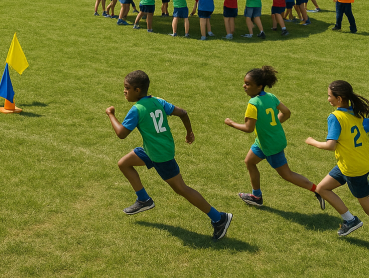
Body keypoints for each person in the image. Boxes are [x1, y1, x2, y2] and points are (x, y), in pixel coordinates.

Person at [105, 70, 233, 241]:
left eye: (127, 88)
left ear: (137, 90)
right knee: (124, 163)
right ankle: (143, 199)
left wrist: (111, 115)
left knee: (181, 189)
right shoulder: (157, 101)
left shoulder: (137, 109)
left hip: (160, 155)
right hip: (153, 149)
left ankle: (219, 218)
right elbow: (183, 113)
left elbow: (121, 133)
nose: (124, 91)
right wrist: (189, 132)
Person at [224, 66, 325, 210]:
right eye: (244, 82)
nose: (244, 86)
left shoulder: (253, 104)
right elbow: (286, 113)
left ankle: (318, 190)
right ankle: (256, 196)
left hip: (270, 145)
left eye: (248, 84)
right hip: (265, 141)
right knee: (249, 162)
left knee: (287, 174)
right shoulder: (271, 97)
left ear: (259, 86)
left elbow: (249, 128)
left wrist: (231, 123)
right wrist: (273, 124)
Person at [306, 80, 369, 237]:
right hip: (356, 160)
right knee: (321, 188)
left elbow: (330, 145)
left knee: (365, 202)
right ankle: (350, 220)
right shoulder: (359, 111)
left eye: (329, 96)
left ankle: (352, 221)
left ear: (339, 98)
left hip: (353, 168)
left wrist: (312, 142)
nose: (328, 99)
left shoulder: (335, 117)